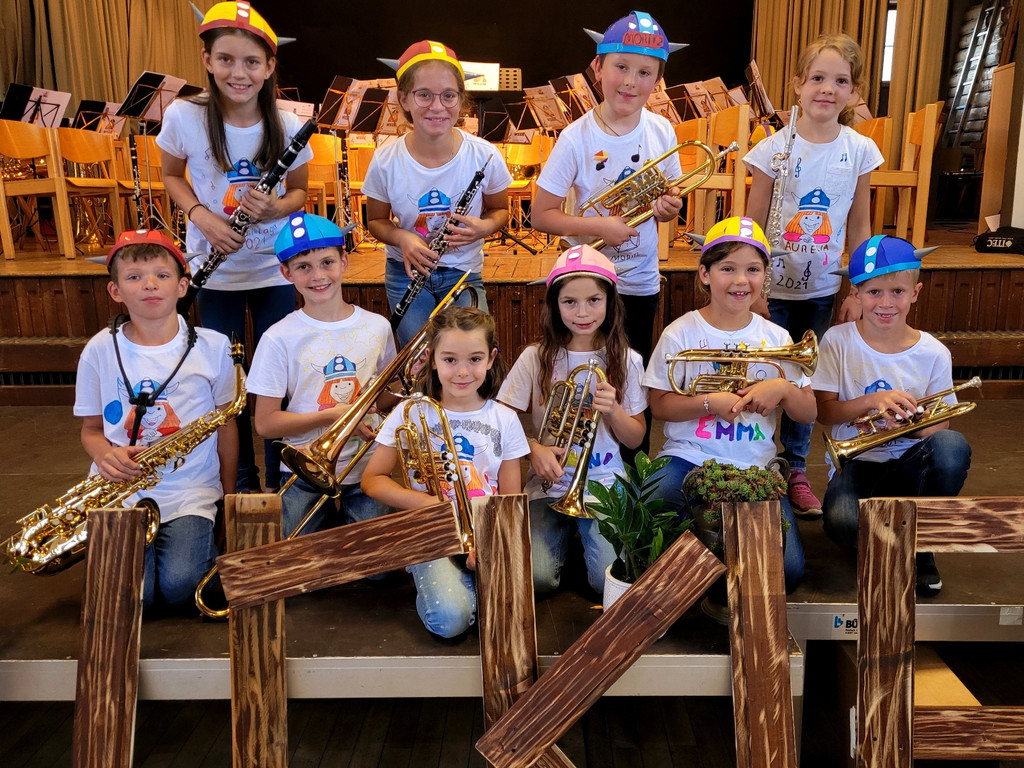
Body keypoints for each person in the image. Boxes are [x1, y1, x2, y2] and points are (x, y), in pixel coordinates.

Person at [159, 1, 312, 493]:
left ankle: (279, 480)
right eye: (225, 59)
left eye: (251, 62)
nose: (238, 72)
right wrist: (203, 216)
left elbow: (300, 193)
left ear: (269, 67)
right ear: (207, 60)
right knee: (227, 385)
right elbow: (169, 176)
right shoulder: (185, 115)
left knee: (273, 383)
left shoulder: (287, 125)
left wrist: (277, 209)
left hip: (273, 268)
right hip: (215, 268)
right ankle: (240, 484)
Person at [744, 32, 884, 520]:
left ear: (853, 91)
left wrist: (857, 291)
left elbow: (861, 226)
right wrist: (753, 291)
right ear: (798, 85)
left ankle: (796, 467)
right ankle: (756, 460)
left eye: (840, 81)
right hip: (771, 290)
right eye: (818, 78)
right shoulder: (771, 149)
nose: (828, 89)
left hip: (824, 289)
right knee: (763, 374)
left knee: (806, 382)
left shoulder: (861, 149)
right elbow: (752, 227)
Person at [643, 217, 816, 596]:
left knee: (789, 572)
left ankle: (709, 568)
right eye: (728, 269)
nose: (741, 281)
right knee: (653, 506)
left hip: (754, 466)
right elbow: (659, 405)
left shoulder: (777, 338)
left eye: (753, 269)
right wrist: (709, 402)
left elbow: (808, 413)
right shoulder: (681, 332)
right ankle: (718, 563)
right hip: (689, 456)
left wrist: (784, 389)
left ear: (765, 276)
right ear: (705, 274)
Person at [74, 229, 238, 614]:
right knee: (135, 596)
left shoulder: (213, 346)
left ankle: (201, 533)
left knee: (182, 588)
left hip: (191, 490)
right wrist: (104, 457)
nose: (149, 284)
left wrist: (228, 496)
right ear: (116, 291)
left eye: (162, 276)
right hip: (119, 489)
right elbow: (91, 431)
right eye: (134, 277)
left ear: (183, 286)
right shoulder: (99, 349)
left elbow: (226, 425)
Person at [813, 236, 971, 596]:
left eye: (897, 292)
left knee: (951, 446)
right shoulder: (837, 341)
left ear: (915, 292)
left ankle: (921, 546)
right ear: (856, 294)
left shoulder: (934, 352)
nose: (886, 303)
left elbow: (939, 426)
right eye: (874, 293)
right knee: (841, 523)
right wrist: (872, 403)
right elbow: (824, 412)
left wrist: (909, 425)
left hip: (910, 464)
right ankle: (897, 537)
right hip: (857, 462)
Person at [530, 11, 685, 373]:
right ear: (597, 68)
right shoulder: (575, 137)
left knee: (634, 375)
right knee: (582, 373)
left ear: (658, 80)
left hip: (640, 279)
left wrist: (669, 207)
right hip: (585, 279)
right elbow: (541, 215)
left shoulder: (662, 131)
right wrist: (601, 228)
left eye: (645, 72)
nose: (630, 82)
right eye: (621, 67)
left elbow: (672, 195)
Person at [361, 306, 529, 639]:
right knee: (448, 621)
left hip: (483, 533)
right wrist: (427, 505)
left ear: (491, 359)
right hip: (432, 532)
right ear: (432, 359)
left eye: (475, 359)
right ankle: (446, 582)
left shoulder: (505, 420)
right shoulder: (409, 413)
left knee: (513, 612)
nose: (462, 372)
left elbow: (510, 500)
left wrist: (487, 544)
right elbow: (372, 480)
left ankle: (465, 585)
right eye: (450, 360)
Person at [498, 244, 646, 595]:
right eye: (570, 302)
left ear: (610, 302)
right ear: (554, 304)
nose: (582, 312)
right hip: (547, 484)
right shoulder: (535, 358)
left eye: (594, 300)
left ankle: (580, 536)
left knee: (603, 583)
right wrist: (532, 449)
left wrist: (614, 411)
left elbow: (636, 439)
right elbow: (501, 421)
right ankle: (566, 535)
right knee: (537, 580)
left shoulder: (627, 360)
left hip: (604, 482)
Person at [247, 212, 398, 538]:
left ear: (344, 262)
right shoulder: (278, 337)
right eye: (303, 267)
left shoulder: (378, 326)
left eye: (327, 262)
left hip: (366, 465)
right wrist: (333, 415)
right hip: (305, 467)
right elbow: (265, 423)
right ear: (286, 272)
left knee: (380, 574)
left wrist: (410, 379)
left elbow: (383, 398)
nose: (317, 275)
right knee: (306, 567)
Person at [363, 40, 513, 346]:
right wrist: (403, 238)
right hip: (405, 273)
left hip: (463, 273)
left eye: (448, 96)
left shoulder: (484, 155)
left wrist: (483, 227)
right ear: (404, 99)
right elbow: (376, 220)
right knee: (418, 363)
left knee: (469, 354)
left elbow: (500, 211)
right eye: (424, 95)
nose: (437, 106)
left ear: (461, 99)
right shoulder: (385, 159)